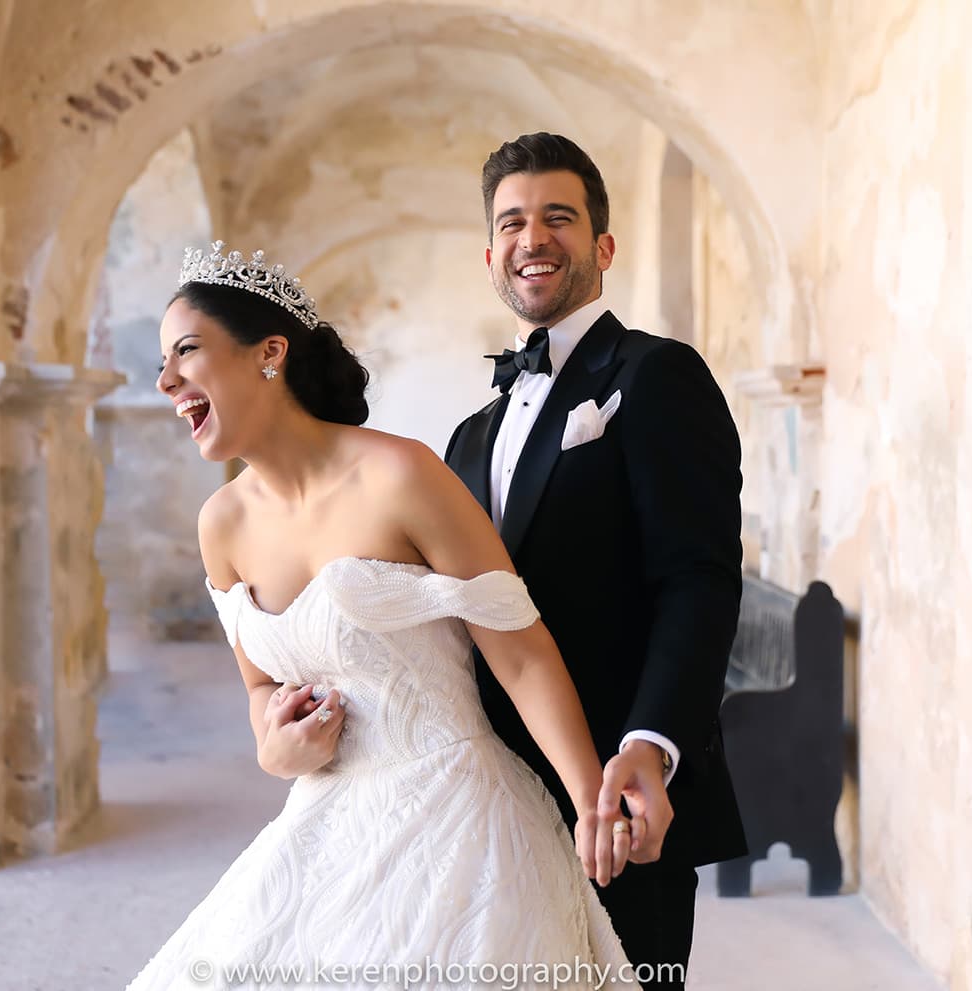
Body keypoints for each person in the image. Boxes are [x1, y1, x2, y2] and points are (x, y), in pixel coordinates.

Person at [126, 242, 638, 990]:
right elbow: (261, 692)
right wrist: (279, 750)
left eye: (187, 352)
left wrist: (592, 800)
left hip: (460, 823)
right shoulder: (221, 525)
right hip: (327, 824)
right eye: (162, 362)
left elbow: (521, 651)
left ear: (270, 353)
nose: (166, 380)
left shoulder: (401, 473)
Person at [443, 133, 748, 989]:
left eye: (558, 218)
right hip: (494, 799)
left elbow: (696, 578)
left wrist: (650, 745)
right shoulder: (470, 437)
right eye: (512, 222)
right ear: (492, 253)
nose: (532, 238)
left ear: (602, 246)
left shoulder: (657, 376)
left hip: (619, 792)